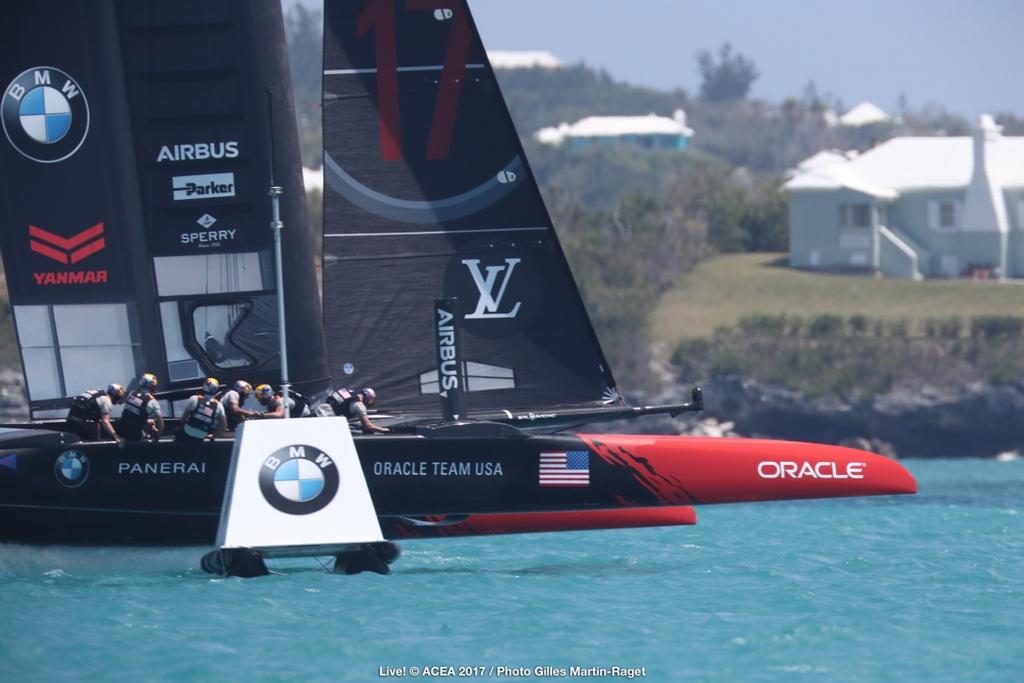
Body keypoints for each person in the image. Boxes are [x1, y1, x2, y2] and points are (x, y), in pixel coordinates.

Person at [116, 372, 164, 442]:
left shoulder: (131, 393)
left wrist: (146, 421)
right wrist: (157, 436)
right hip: (133, 437)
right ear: (152, 387)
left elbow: (132, 415)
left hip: (120, 431)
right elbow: (161, 424)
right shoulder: (152, 402)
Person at [176, 378, 227, 442]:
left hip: (187, 433)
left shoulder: (194, 399)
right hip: (202, 436)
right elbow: (224, 426)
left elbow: (183, 419)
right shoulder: (219, 406)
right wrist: (214, 436)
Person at [321, 386, 390, 433]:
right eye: (370, 400)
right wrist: (383, 430)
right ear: (368, 398)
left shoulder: (348, 391)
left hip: (320, 409)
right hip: (327, 420)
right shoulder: (360, 406)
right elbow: (368, 426)